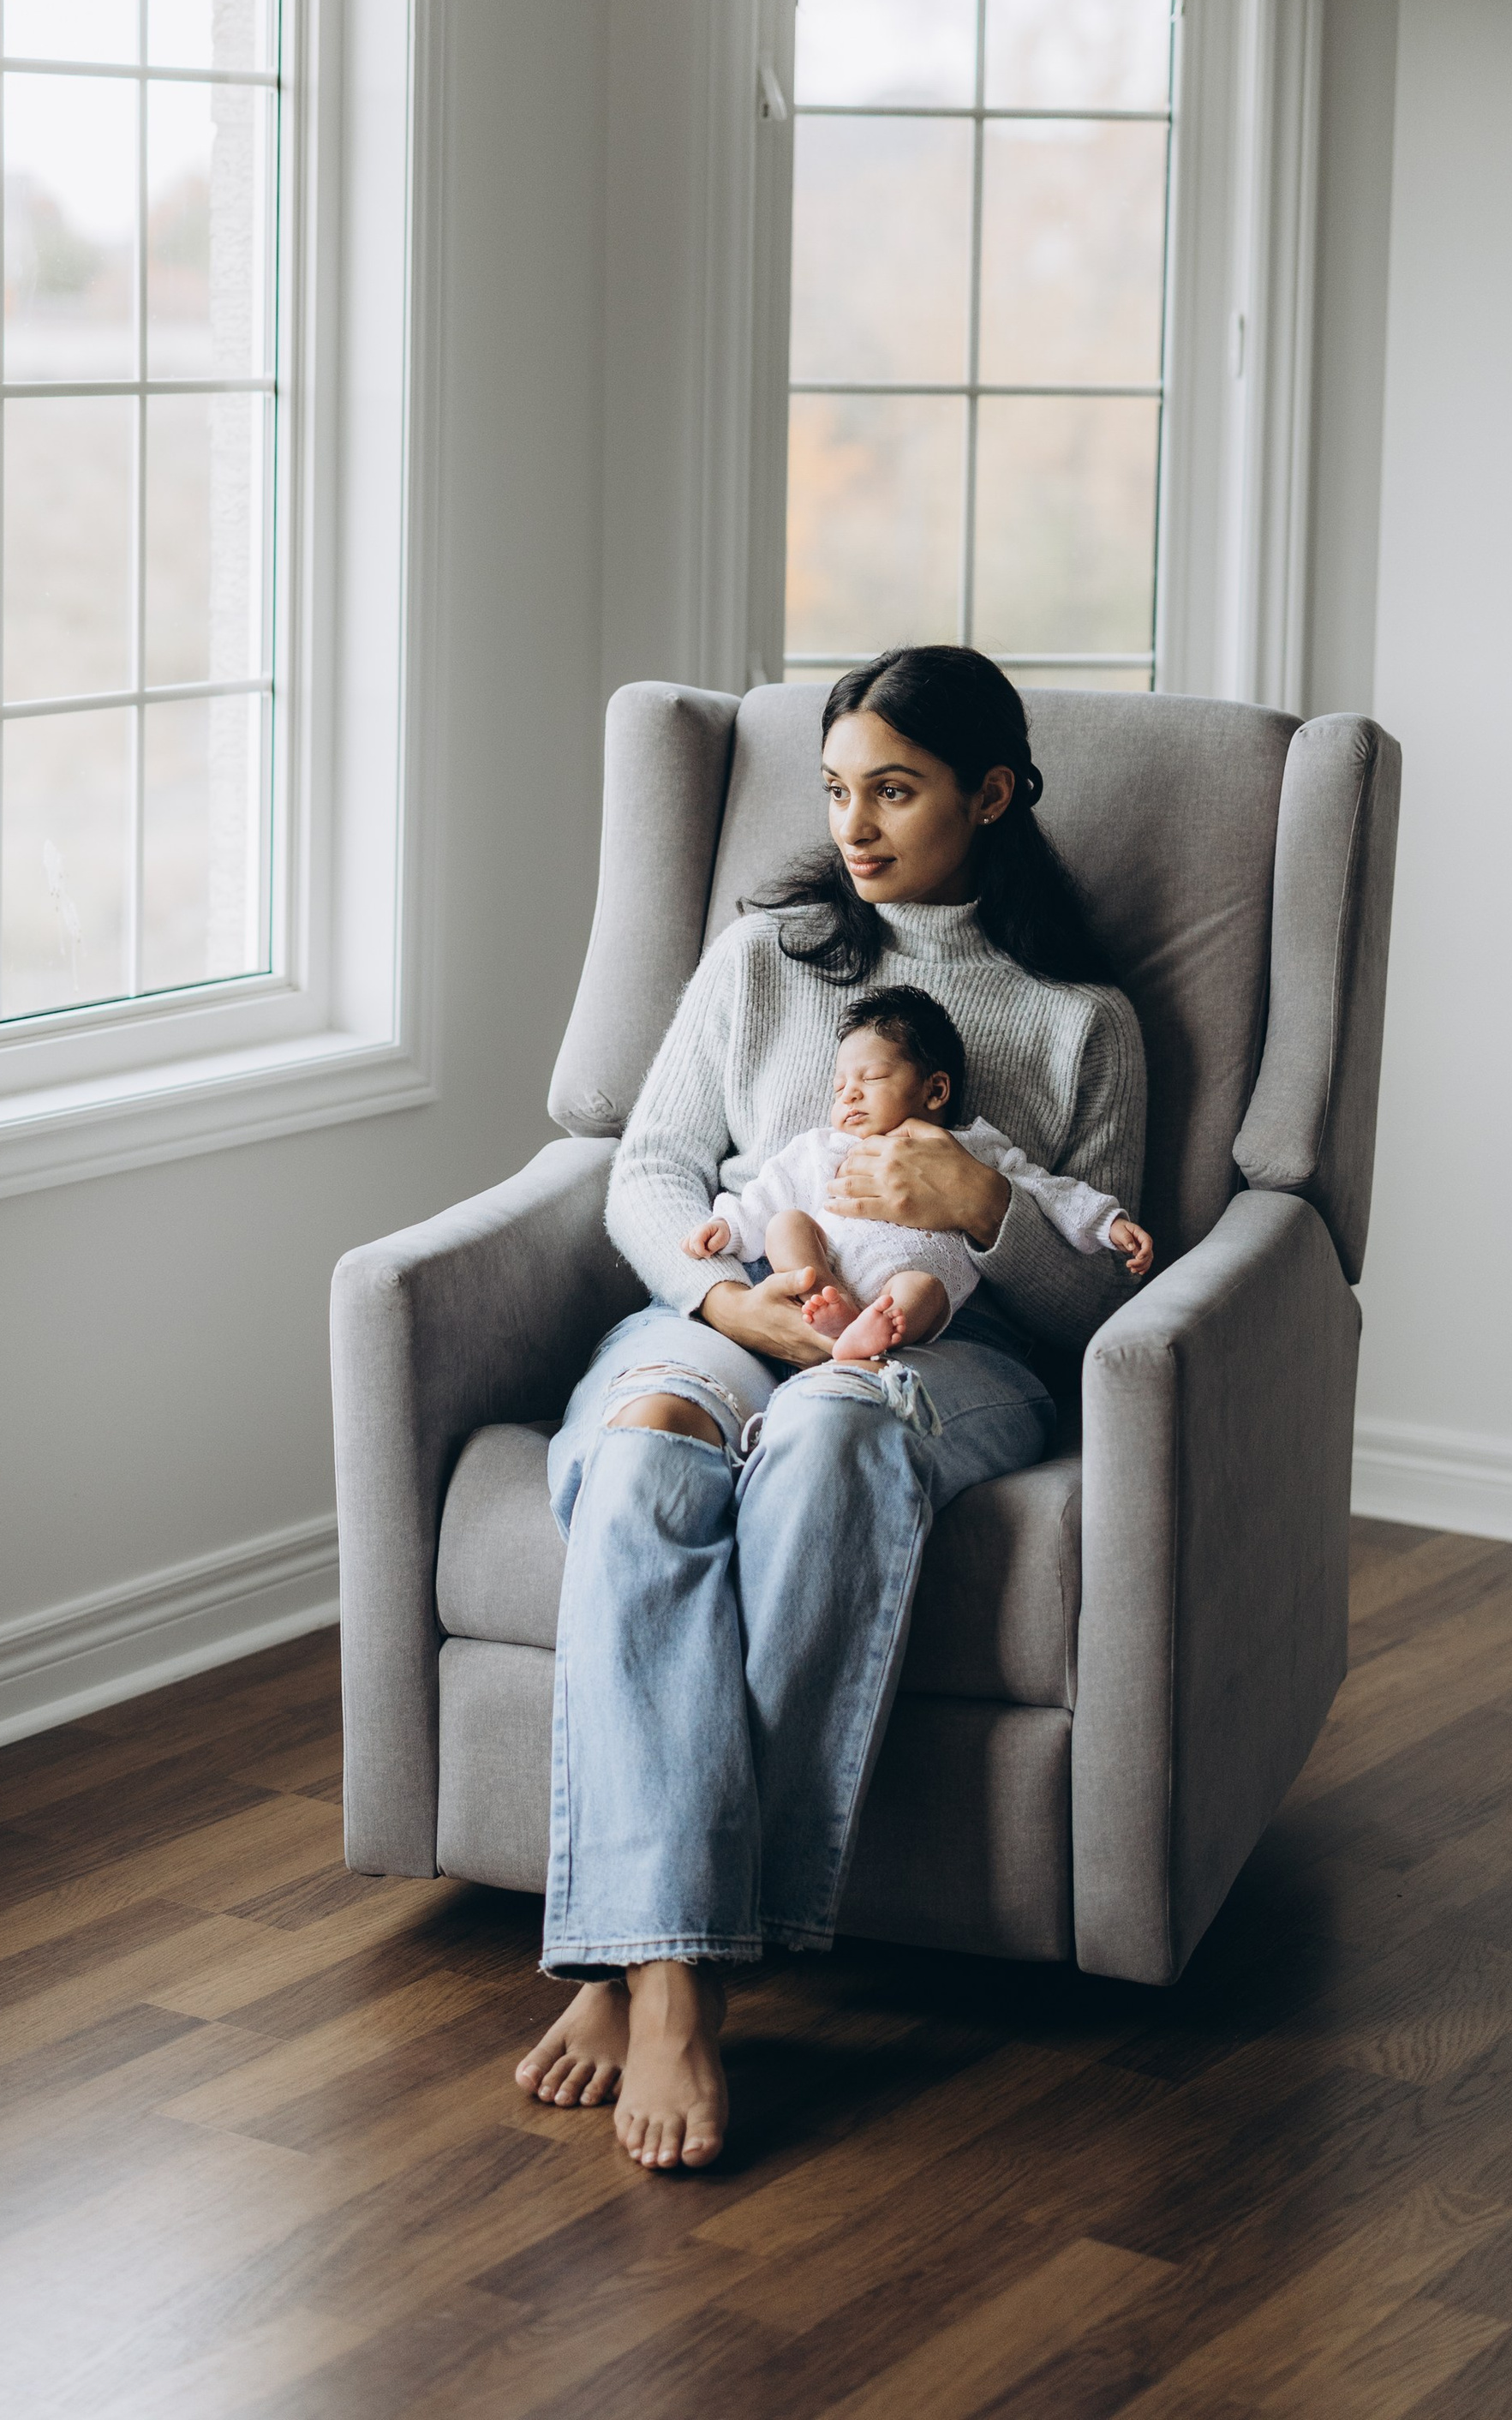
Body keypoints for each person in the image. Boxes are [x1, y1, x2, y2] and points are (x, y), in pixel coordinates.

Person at [514, 644, 1148, 2174]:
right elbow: (651, 1170)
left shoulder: (1085, 1021)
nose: (853, 827)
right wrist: (720, 1303)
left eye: (896, 792)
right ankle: (672, 1965)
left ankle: (652, 1957)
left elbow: (1108, 1317)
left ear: (991, 795)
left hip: (951, 1350)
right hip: (746, 1305)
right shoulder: (762, 962)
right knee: (644, 1457)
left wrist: (985, 1206)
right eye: (836, 791)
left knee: (834, 1433)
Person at [685, 985, 1155, 1362]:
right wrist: (729, 1227)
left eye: (870, 1079)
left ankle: (878, 1332)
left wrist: (1105, 1221)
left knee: (925, 1290)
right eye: (839, 1087)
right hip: (832, 1265)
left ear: (935, 1090)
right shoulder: (825, 1147)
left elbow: (1047, 1191)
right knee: (786, 1224)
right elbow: (772, 1191)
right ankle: (829, 1303)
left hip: (909, 1282)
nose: (848, 1095)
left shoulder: (977, 1148)